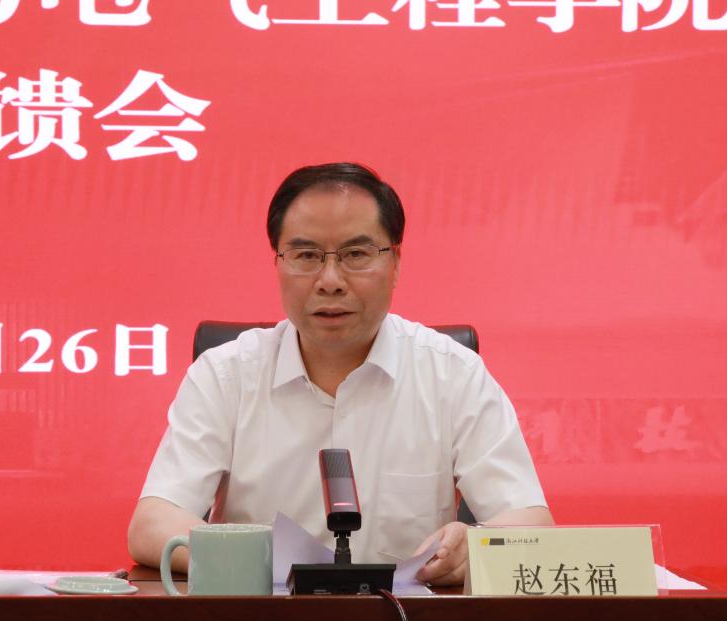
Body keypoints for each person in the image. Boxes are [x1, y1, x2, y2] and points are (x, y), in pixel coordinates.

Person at [128, 162, 552, 586]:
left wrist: (473, 548)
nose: (329, 281)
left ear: (395, 263)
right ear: (278, 263)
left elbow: (531, 524)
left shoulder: (453, 374)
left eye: (356, 255)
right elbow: (152, 523)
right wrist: (256, 561)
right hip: (259, 620)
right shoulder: (225, 375)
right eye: (306, 256)